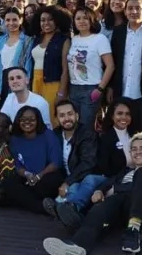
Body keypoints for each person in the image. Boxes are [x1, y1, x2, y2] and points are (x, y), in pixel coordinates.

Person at [42, 132, 142, 255]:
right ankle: (78, 245)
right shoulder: (125, 172)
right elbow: (106, 184)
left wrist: (116, 188)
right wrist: (99, 191)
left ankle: (133, 229)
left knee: (140, 176)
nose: (138, 152)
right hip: (118, 208)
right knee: (103, 206)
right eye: (134, 149)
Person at [56, 97, 137, 230]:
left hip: (130, 176)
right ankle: (71, 211)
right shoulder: (106, 137)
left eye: (127, 114)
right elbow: (104, 166)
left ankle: (66, 209)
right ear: (112, 116)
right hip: (111, 176)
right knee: (77, 185)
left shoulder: (136, 134)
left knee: (89, 180)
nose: (124, 117)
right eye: (120, 113)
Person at [0, 106, 63, 214]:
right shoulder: (15, 138)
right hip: (27, 178)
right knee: (7, 183)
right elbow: (18, 165)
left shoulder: (48, 135)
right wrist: (27, 174)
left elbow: (56, 162)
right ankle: (41, 207)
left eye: (32, 119)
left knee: (48, 183)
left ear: (38, 120)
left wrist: (38, 176)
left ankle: (15, 198)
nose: (27, 122)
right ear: (18, 121)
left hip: (46, 176)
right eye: (23, 119)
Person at [41, 100, 99, 219]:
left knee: (75, 188)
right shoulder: (55, 135)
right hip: (67, 179)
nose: (67, 118)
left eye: (70, 114)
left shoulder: (87, 134)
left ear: (77, 116)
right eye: (62, 115)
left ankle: (62, 208)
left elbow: (88, 163)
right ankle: (65, 211)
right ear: (56, 118)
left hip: (84, 177)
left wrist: (67, 182)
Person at [109, 0, 142, 132]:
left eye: (138, 8)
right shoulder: (118, 32)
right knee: (121, 132)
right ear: (125, 11)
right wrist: (111, 87)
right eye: (130, 8)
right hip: (121, 92)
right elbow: (114, 60)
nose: (133, 12)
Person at [68, 6, 114, 127]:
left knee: (87, 128)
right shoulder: (73, 40)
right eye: (78, 18)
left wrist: (100, 89)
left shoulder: (99, 39)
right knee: (74, 126)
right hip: (73, 89)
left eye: (85, 18)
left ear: (92, 20)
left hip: (91, 88)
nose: (82, 21)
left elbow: (110, 66)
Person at [30, 6, 72, 127]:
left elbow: (65, 70)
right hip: (36, 83)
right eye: (42, 20)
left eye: (50, 19)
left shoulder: (64, 40)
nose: (46, 23)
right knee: (37, 117)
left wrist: (61, 92)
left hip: (53, 84)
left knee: (51, 119)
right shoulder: (37, 39)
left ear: (57, 21)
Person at [0, 7, 34, 104]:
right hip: (2, 84)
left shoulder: (28, 41)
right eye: (8, 20)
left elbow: (28, 66)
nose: (11, 23)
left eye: (14, 20)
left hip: (19, 83)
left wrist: (25, 87)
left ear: (21, 20)